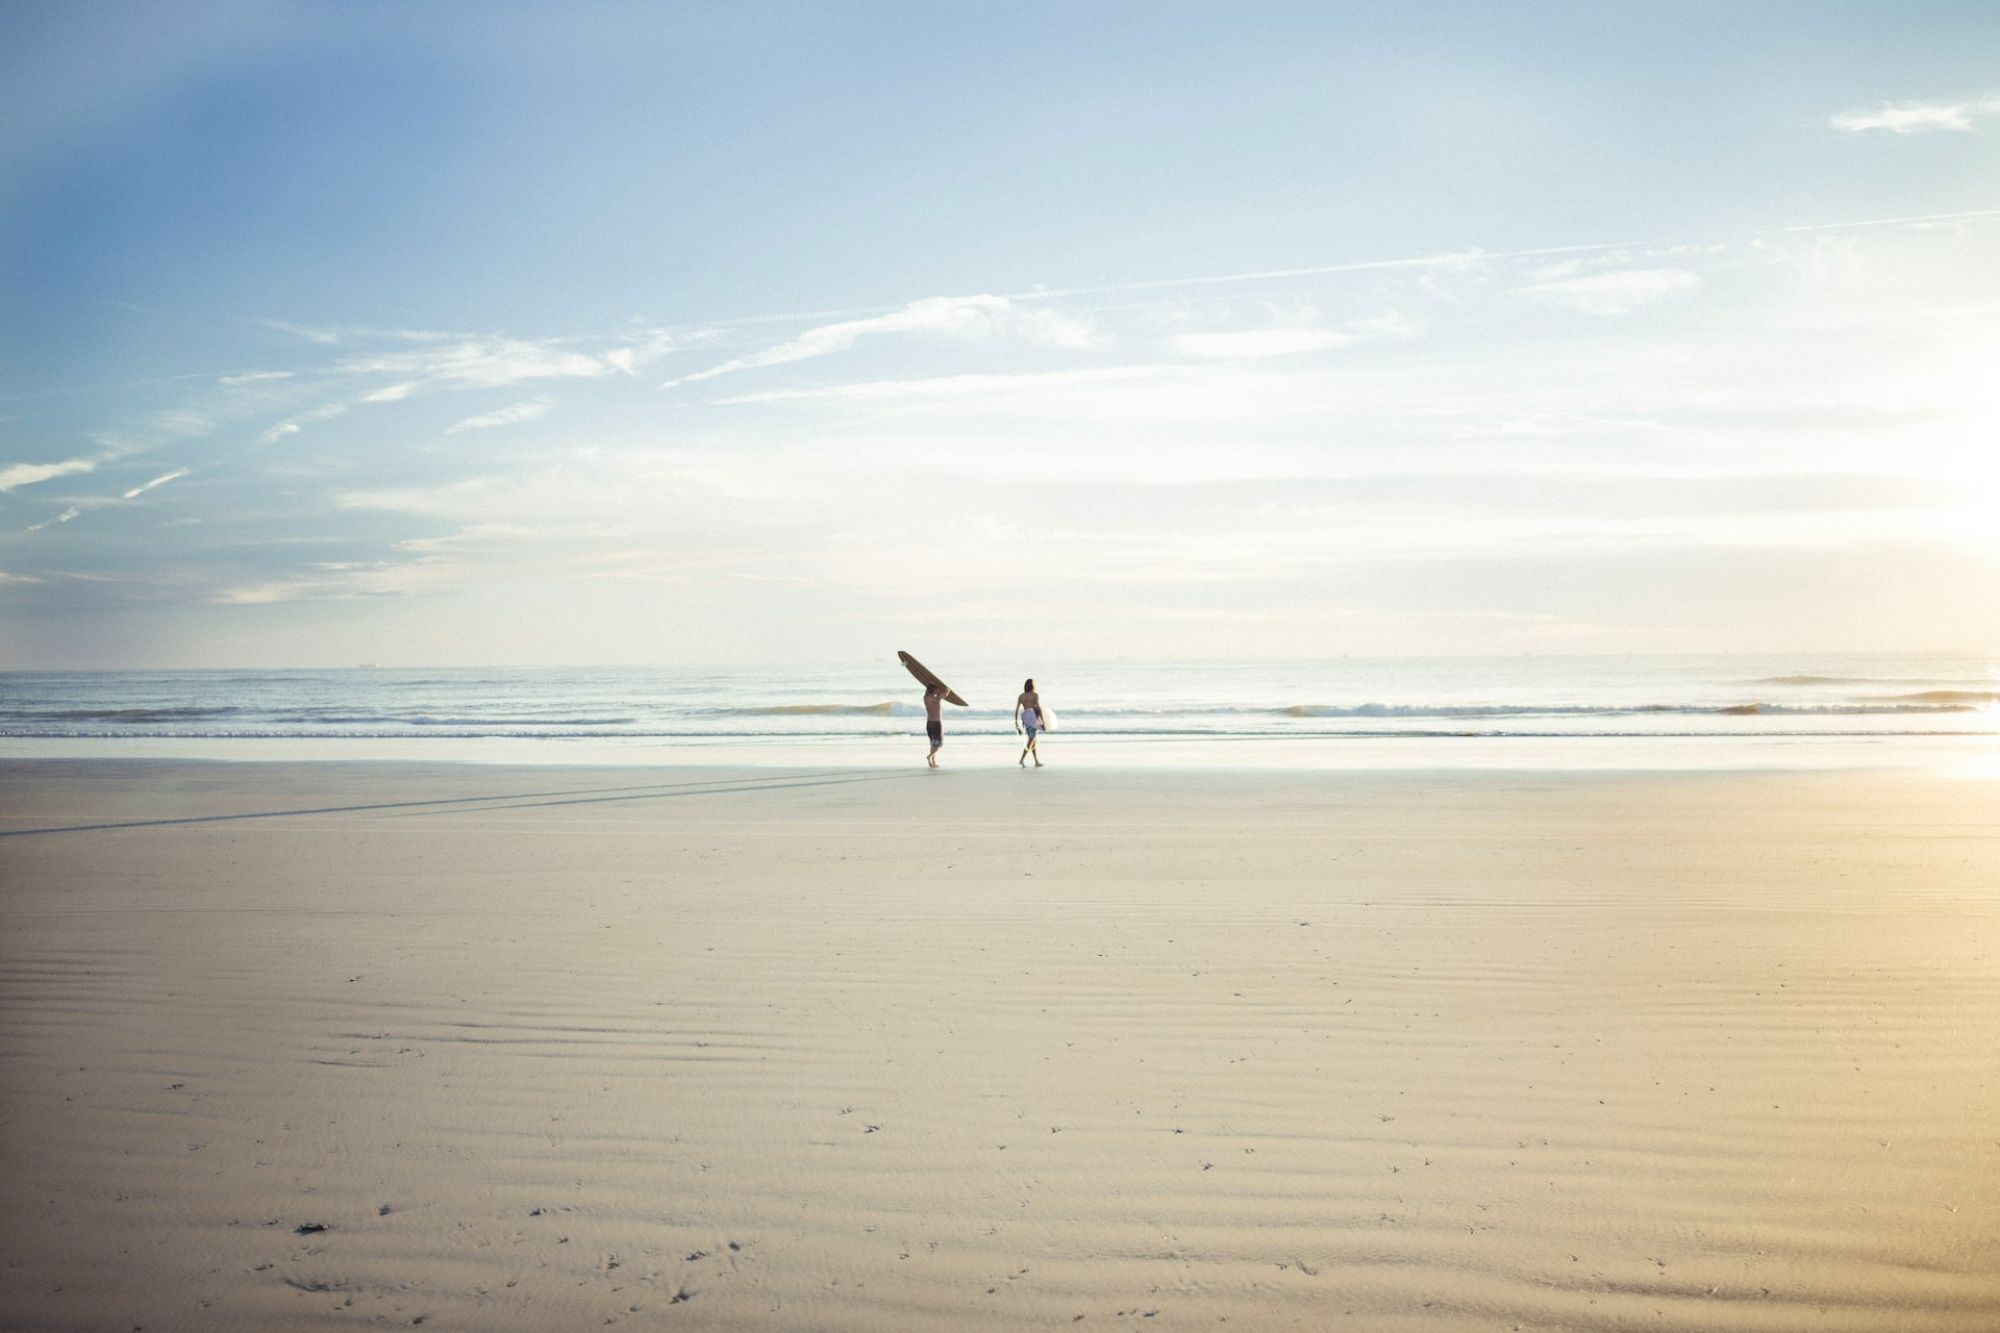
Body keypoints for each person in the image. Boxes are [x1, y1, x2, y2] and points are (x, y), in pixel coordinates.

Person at [1014, 677, 1045, 767]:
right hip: (1033, 717)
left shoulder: (1021, 696)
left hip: (1025, 717)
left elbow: (1016, 710)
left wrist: (1016, 723)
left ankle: (1036, 761)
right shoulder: (1035, 695)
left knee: (1033, 739)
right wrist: (1042, 721)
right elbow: (1038, 709)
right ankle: (1022, 759)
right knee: (1031, 739)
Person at [923, 681, 946, 768]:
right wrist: (940, 687)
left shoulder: (925, 698)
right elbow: (947, 691)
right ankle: (929, 756)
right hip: (936, 724)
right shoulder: (937, 699)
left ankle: (932, 761)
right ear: (935, 690)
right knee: (938, 743)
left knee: (933, 743)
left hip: (929, 724)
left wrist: (932, 686)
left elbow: (928, 693)